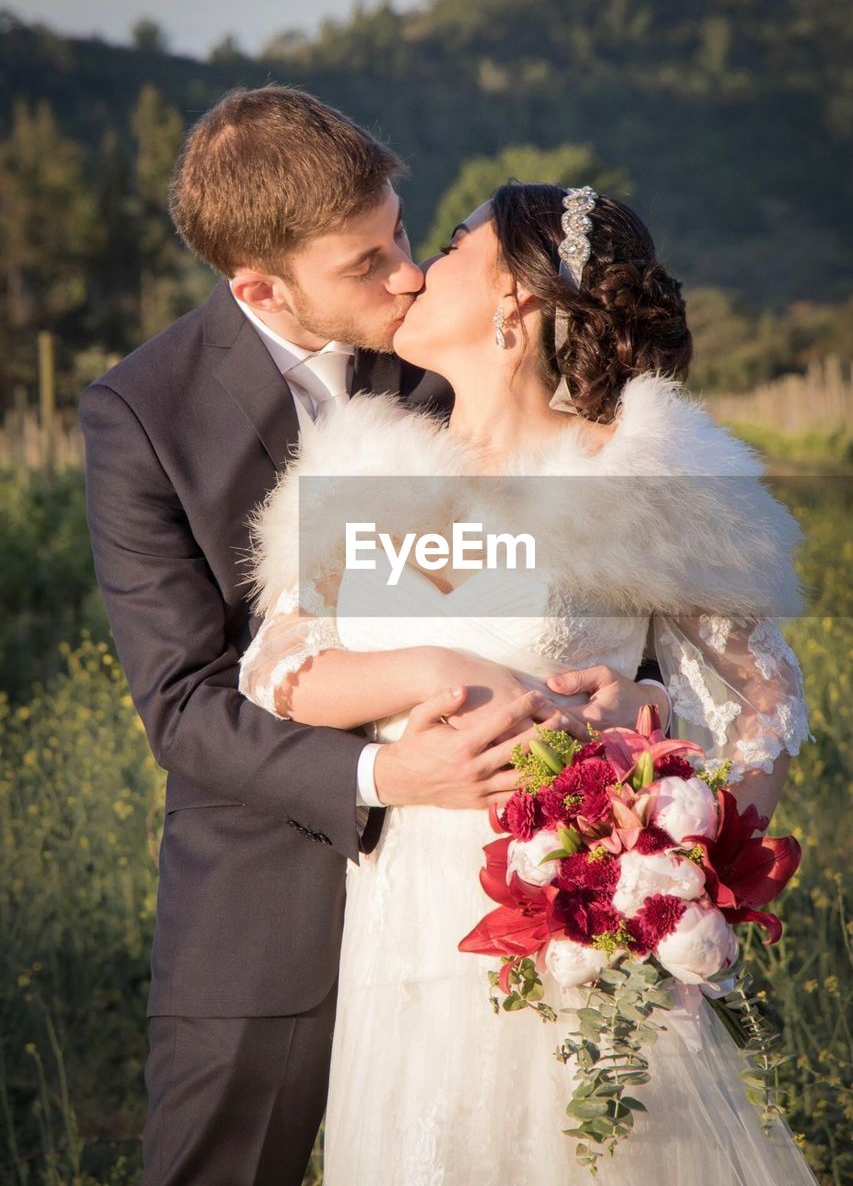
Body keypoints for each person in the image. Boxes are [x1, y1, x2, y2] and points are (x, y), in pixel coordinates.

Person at [79, 86, 668, 1186]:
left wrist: (642, 698)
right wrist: (385, 768)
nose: (404, 274)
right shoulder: (141, 416)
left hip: (497, 895)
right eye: (365, 263)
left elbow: (591, 582)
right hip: (264, 913)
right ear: (259, 286)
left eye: (401, 232)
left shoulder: (454, 354)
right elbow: (185, 701)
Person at [239, 182, 816, 1184]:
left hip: (574, 921)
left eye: (457, 243)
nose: (418, 267)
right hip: (409, 912)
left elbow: (766, 695)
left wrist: (681, 855)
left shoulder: (631, 473)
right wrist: (436, 670)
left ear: (514, 296)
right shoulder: (369, 465)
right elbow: (278, 663)